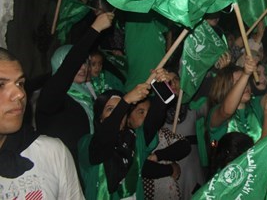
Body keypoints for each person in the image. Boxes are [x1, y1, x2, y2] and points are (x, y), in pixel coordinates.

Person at [0, 47, 83, 198]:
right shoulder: (53, 93)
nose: (20, 94)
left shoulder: (51, 153)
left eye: (20, 83)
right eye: (0, 85)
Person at [78, 68, 170, 199]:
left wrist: (161, 84)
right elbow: (104, 140)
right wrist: (125, 102)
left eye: (122, 111)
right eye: (110, 109)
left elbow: (154, 118)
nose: (119, 115)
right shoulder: (86, 143)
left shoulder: (134, 138)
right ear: (100, 117)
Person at [36, 12, 114, 165]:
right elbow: (68, 68)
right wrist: (95, 29)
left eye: (85, 63)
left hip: (82, 166)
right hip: (58, 167)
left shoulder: (86, 94)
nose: (83, 67)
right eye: (78, 63)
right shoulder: (53, 95)